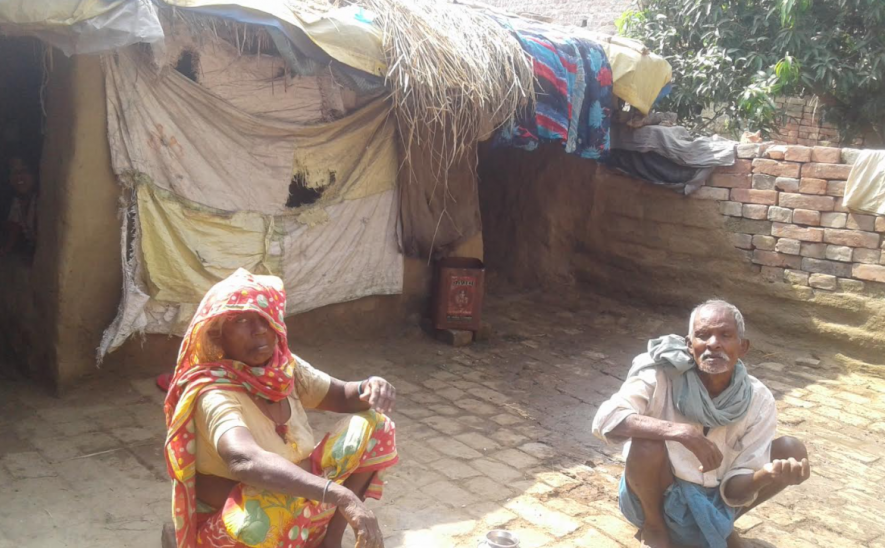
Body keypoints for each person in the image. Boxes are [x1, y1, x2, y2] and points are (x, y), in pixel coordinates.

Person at [164, 269, 398, 548]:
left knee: (376, 424)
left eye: (266, 317)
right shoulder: (213, 392)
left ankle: (329, 542)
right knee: (267, 513)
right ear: (218, 336)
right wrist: (341, 495)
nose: (260, 329)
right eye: (241, 320)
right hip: (240, 524)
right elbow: (244, 460)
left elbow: (341, 395)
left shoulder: (283, 369)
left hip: (294, 499)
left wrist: (369, 386)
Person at [591, 300, 810, 548]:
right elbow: (605, 418)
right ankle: (655, 528)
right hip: (659, 493)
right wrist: (680, 432)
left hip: (718, 499)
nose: (713, 343)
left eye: (725, 335)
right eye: (703, 335)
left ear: (743, 347)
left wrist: (765, 476)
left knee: (791, 449)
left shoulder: (758, 399)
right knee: (646, 441)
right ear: (689, 344)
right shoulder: (661, 373)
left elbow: (735, 490)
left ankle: (720, 525)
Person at [1, 155, 37, 258]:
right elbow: (14, 227)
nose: (18, 176)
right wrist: (5, 250)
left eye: (24, 170)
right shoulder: (17, 201)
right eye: (14, 172)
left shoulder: (42, 201)